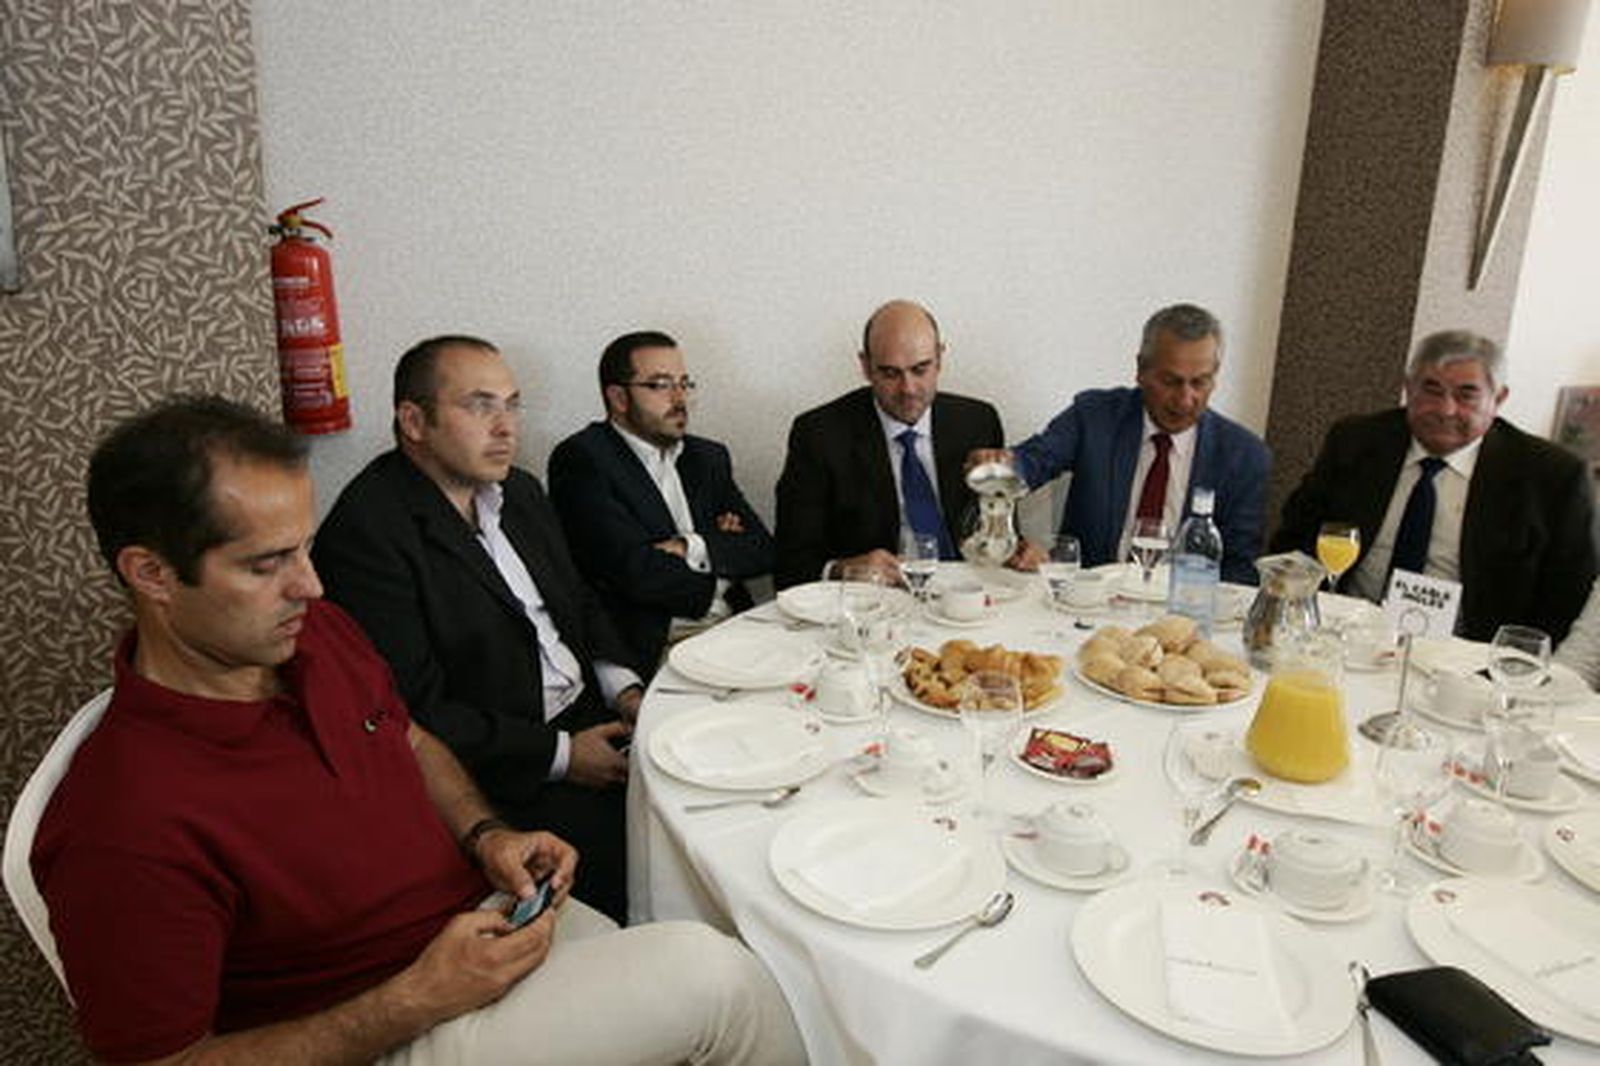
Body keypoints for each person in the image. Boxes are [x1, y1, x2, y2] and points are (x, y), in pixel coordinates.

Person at [33, 396, 804, 1065]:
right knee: (721, 982)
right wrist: (413, 1000)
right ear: (152, 573)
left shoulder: (313, 634)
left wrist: (485, 834)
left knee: (718, 931)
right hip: (382, 1024)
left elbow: (403, 736)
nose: (313, 583)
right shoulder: (123, 822)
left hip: (473, 926)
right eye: (268, 563)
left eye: (304, 546)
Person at [313, 336, 638, 923]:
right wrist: (564, 754)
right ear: (414, 420)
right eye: (481, 406)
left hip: (590, 713)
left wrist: (627, 688)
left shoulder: (522, 492)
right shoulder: (369, 533)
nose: (506, 427)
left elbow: (579, 602)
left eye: (512, 405)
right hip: (506, 771)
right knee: (648, 864)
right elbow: (414, 712)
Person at [1272, 329, 1596, 642]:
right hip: (1347, 631)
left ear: (1498, 398)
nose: (1445, 409)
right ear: (1408, 388)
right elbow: (1294, 538)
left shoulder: (1551, 476)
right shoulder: (1357, 442)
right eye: (1431, 389)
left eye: (1466, 394)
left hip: (1466, 654)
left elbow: (1566, 597)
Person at [973, 303, 1269, 584]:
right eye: (1171, 381)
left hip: (1181, 612)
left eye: (1200, 382)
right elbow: (1035, 460)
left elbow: (1239, 570)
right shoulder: (1094, 417)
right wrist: (1004, 468)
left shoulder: (1244, 457)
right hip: (1090, 602)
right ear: (1141, 370)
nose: (1185, 399)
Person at [548, 330, 772, 677]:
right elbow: (632, 571)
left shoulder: (707, 457)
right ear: (619, 397)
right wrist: (719, 554)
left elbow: (761, 549)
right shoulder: (583, 459)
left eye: (685, 384)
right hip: (656, 645)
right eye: (661, 385)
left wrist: (689, 546)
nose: (679, 398)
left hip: (735, 629)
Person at [774, 299, 1003, 588]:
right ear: (866, 366)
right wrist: (843, 569)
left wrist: (1018, 550)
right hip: (877, 604)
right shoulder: (820, 435)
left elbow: (997, 534)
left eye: (920, 369)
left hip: (966, 596)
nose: (908, 389)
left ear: (940, 359)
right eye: (890, 373)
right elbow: (789, 565)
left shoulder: (977, 422)